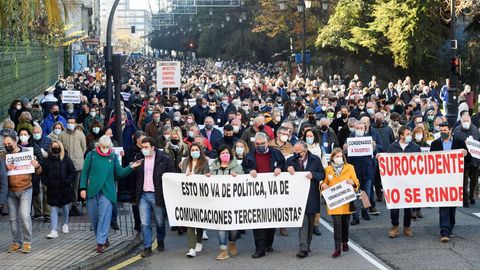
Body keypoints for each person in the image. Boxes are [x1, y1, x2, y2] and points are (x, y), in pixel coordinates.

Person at [79, 135, 142, 253]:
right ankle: (103, 237)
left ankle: (100, 242)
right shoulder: (91, 155)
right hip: (92, 190)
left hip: (107, 192)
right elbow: (84, 173)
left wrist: (131, 167)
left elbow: (120, 173)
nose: (105, 149)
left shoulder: (113, 156)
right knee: (94, 217)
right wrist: (82, 188)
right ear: (99, 145)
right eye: (103, 147)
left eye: (107, 147)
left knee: (104, 216)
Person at [241, 132, 285, 259]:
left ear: (268, 142)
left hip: (272, 193)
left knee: (271, 221)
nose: (260, 146)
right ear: (254, 144)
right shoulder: (249, 156)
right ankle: (259, 248)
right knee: (258, 221)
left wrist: (280, 168)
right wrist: (250, 171)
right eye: (258, 144)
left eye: (263, 143)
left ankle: (269, 243)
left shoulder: (276, 153)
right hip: (256, 194)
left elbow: (284, 164)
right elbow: (244, 170)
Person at [133, 136, 175, 258]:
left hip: (157, 195)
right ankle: (147, 247)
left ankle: (160, 239)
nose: (143, 149)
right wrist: (133, 197)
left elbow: (171, 176)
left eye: (146, 147)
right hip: (143, 196)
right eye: (142, 147)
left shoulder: (164, 159)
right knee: (145, 223)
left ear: (153, 147)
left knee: (159, 222)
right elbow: (134, 178)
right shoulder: (139, 158)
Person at [430, 122, 469, 242]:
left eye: (445, 130)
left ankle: (450, 226)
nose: (443, 132)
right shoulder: (435, 144)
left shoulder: (459, 143)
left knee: (452, 206)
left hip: (455, 180)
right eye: (441, 130)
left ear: (450, 130)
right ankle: (444, 231)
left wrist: (465, 154)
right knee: (444, 206)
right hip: (441, 180)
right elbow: (430, 162)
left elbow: (469, 160)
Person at [286, 141, 324, 258]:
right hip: (297, 196)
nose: (296, 153)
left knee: (311, 223)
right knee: (303, 222)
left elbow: (322, 174)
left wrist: (313, 175)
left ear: (305, 150)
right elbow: (282, 171)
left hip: (312, 195)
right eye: (294, 151)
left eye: (298, 152)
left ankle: (307, 245)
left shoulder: (315, 159)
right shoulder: (290, 160)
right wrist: (287, 168)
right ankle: (303, 248)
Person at [5, 133, 41, 254]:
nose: (7, 146)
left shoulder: (26, 152)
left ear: (15, 142)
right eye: (5, 144)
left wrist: (37, 165)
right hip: (10, 191)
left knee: (25, 216)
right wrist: (5, 167)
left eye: (9, 143)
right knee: (13, 219)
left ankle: (27, 242)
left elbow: (38, 171)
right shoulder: (3, 155)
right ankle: (16, 242)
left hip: (26, 188)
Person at [321, 148, 359, 258]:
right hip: (334, 202)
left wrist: (353, 183)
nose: (339, 158)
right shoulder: (328, 169)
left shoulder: (350, 168)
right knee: (337, 226)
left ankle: (345, 242)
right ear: (332, 157)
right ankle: (337, 248)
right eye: (336, 156)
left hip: (347, 201)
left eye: (340, 156)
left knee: (345, 224)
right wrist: (323, 186)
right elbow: (324, 183)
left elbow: (356, 182)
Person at [384, 126, 420, 238]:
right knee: (394, 206)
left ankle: (407, 227)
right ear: (401, 136)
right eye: (408, 133)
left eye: (410, 133)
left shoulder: (415, 147)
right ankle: (394, 226)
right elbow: (387, 162)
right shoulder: (392, 147)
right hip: (395, 181)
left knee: (408, 206)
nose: (410, 135)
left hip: (410, 181)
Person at [210, 145, 244, 261]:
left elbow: (244, 181)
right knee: (221, 227)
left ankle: (232, 242)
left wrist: (238, 177)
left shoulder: (237, 167)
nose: (225, 155)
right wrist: (207, 177)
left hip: (233, 203)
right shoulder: (214, 168)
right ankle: (223, 250)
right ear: (219, 155)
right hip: (219, 204)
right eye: (223, 153)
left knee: (233, 230)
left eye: (227, 153)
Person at [181, 143, 211, 258]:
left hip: (200, 196)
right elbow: (180, 177)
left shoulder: (204, 162)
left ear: (200, 151)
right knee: (190, 222)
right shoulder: (185, 162)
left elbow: (206, 177)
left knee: (199, 220)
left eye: (196, 149)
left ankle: (199, 241)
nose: (194, 151)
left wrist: (195, 176)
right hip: (187, 196)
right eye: (192, 150)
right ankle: (191, 248)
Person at [42, 140, 76, 239]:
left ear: (61, 147)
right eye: (53, 146)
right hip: (53, 189)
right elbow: (43, 174)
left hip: (64, 189)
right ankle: (53, 230)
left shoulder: (66, 159)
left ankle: (65, 223)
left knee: (65, 208)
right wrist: (48, 183)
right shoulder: (47, 160)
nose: (55, 148)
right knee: (53, 209)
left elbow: (73, 172)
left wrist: (67, 181)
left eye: (57, 146)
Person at [59, 117, 87, 216]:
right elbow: (60, 148)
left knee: (75, 186)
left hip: (77, 165)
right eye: (69, 122)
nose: (70, 124)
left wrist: (78, 156)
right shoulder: (62, 135)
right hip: (65, 165)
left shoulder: (80, 134)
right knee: (67, 186)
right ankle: (67, 205)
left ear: (75, 124)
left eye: (72, 122)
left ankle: (74, 205)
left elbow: (84, 148)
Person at [452, 114, 479, 207]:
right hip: (463, 160)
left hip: (475, 160)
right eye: (464, 121)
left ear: (470, 122)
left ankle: (471, 197)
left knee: (474, 181)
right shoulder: (457, 130)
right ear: (461, 121)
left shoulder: (475, 129)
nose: (466, 123)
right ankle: (465, 200)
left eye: (468, 121)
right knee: (464, 182)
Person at [123, 131, 146, 233]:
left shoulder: (147, 150)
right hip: (134, 181)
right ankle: (137, 224)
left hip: (145, 180)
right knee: (135, 203)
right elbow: (128, 165)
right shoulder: (129, 151)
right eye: (143, 139)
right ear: (137, 140)